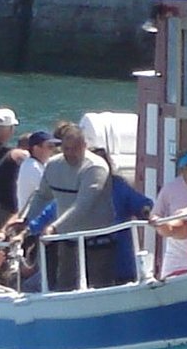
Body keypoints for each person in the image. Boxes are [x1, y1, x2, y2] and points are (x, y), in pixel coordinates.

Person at [19, 123, 115, 290]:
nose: (70, 153)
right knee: (65, 287)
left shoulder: (95, 167)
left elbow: (82, 205)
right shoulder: (53, 165)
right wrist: (26, 222)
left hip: (97, 241)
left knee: (98, 288)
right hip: (67, 241)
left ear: (84, 146)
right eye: (66, 148)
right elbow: (42, 196)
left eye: (75, 148)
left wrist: (54, 227)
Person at [95, 146, 155, 284]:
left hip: (120, 252)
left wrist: (146, 210)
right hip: (92, 249)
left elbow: (140, 203)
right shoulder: (79, 186)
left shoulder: (118, 185)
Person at [151, 148, 187, 278]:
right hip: (177, 243)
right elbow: (156, 213)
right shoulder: (170, 188)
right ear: (186, 168)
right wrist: (157, 222)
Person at [14, 130, 60, 212]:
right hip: (32, 217)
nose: (52, 150)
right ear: (36, 148)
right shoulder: (32, 167)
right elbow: (51, 192)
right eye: (49, 147)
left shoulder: (39, 164)